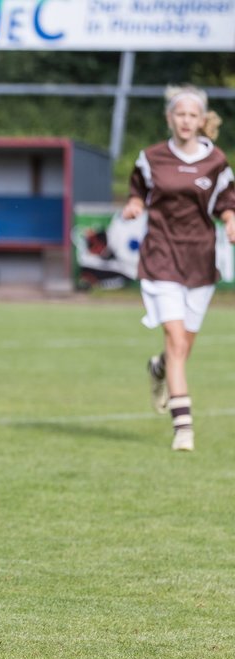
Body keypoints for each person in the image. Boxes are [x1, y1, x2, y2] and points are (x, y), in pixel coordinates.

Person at [124, 85, 235, 452]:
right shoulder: (151, 157)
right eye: (179, 114)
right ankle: (183, 427)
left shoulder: (216, 161)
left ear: (202, 121)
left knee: (182, 347)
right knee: (174, 339)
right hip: (160, 256)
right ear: (169, 118)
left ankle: (158, 370)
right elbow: (137, 189)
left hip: (199, 259)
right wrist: (136, 205)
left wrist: (231, 219)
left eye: (192, 115)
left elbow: (226, 201)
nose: (186, 121)